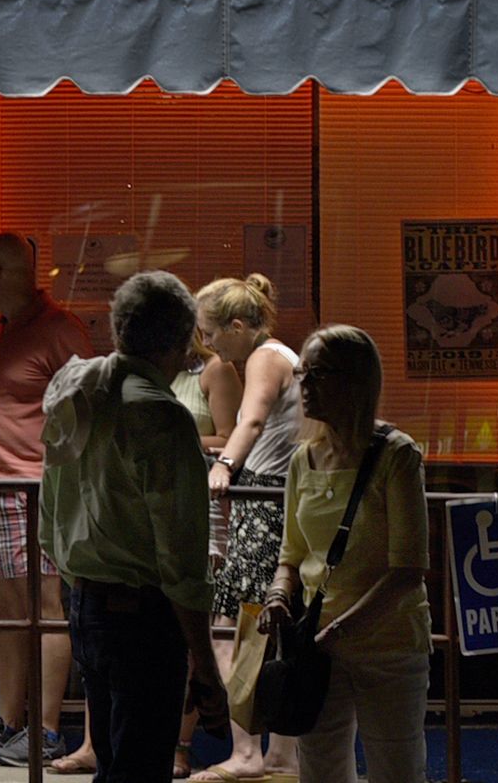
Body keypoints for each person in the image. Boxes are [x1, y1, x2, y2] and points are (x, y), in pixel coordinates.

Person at [40, 271, 229, 783]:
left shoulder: (76, 388)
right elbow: (182, 560)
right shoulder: (163, 417)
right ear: (177, 340)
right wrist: (205, 668)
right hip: (143, 619)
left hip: (87, 604)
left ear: (120, 329)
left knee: (113, 759)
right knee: (140, 767)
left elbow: (50, 515)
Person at [259, 326, 430, 783]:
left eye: (317, 375)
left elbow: (408, 569)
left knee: (397, 769)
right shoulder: (303, 459)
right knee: (320, 769)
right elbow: (291, 554)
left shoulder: (397, 455)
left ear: (354, 380)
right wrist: (279, 594)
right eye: (302, 374)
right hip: (318, 646)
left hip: (388, 644)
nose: (304, 386)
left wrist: (341, 629)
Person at [0, 231, 91, 768]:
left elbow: (89, 405)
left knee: (44, 609)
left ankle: (48, 728)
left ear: (0, 273)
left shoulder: (60, 330)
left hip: (31, 490)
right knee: (5, 615)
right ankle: (11, 723)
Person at [191, 274, 302, 782]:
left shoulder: (263, 358)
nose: (207, 343)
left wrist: (225, 465)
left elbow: (252, 422)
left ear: (238, 326)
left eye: (211, 332)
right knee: (273, 632)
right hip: (279, 500)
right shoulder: (280, 356)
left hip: (264, 505)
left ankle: (246, 751)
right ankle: (278, 753)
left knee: (229, 631)